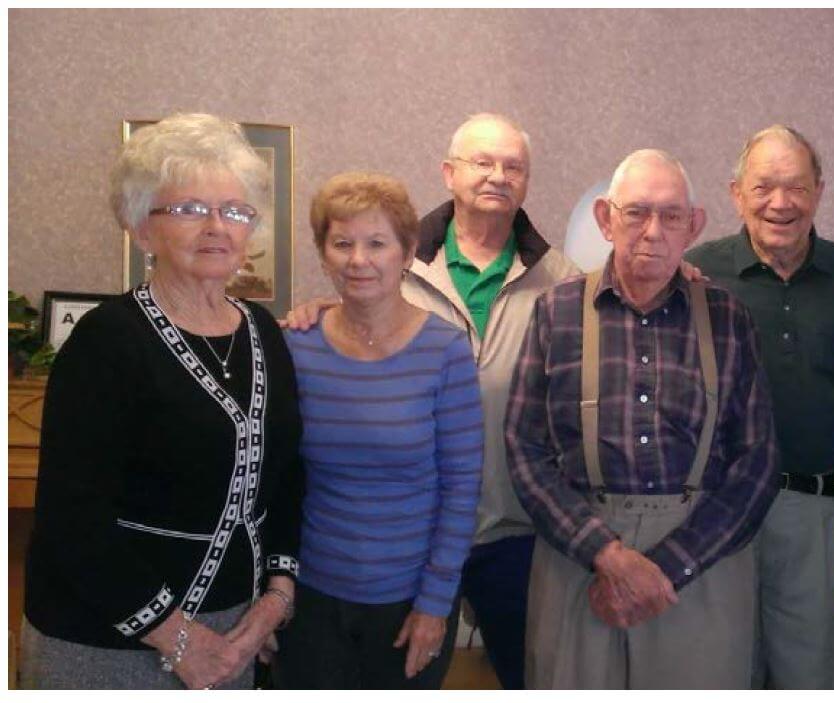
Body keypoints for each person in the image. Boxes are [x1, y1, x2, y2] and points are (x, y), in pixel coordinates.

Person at [284, 113, 578, 689]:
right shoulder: (404, 264)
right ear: (448, 173)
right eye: (481, 162)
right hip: (386, 551)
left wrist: (683, 274)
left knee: (531, 679)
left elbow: (617, 308)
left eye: (512, 166)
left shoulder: (562, 280)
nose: (497, 176)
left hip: (513, 528)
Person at [21, 113, 302, 689]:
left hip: (234, 629)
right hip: (108, 641)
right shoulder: (106, 340)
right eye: (191, 209)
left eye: (236, 211)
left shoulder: (264, 332)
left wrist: (274, 598)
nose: (218, 227)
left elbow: (286, 476)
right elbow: (71, 520)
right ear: (142, 229)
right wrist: (178, 637)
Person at [505, 149, 779, 689]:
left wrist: (669, 565)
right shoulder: (555, 313)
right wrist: (604, 554)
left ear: (693, 226)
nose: (653, 231)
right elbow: (523, 449)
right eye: (636, 213)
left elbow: (758, 462)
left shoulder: (728, 318)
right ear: (607, 219)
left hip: (702, 562)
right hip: (578, 555)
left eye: (671, 215)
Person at [272, 172, 484, 688]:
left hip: (409, 602)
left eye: (377, 243)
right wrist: (272, 590)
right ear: (323, 255)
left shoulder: (446, 350)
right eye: (342, 243)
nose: (358, 259)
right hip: (310, 594)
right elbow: (273, 476)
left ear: (408, 253)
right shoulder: (294, 345)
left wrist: (435, 604)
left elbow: (461, 491)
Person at [686, 125, 834, 689]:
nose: (780, 203)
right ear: (736, 193)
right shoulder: (697, 275)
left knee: (818, 678)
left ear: (819, 192)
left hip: (820, 514)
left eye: (796, 186)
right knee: (716, 672)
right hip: (718, 513)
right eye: (764, 186)